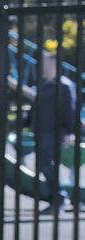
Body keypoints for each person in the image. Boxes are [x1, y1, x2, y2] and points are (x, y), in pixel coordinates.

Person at [31, 51, 77, 213]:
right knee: (44, 166)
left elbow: (70, 110)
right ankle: (56, 198)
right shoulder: (44, 85)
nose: (44, 67)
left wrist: (70, 132)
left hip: (54, 133)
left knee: (50, 166)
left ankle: (61, 197)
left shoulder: (64, 86)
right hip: (42, 131)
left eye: (47, 63)